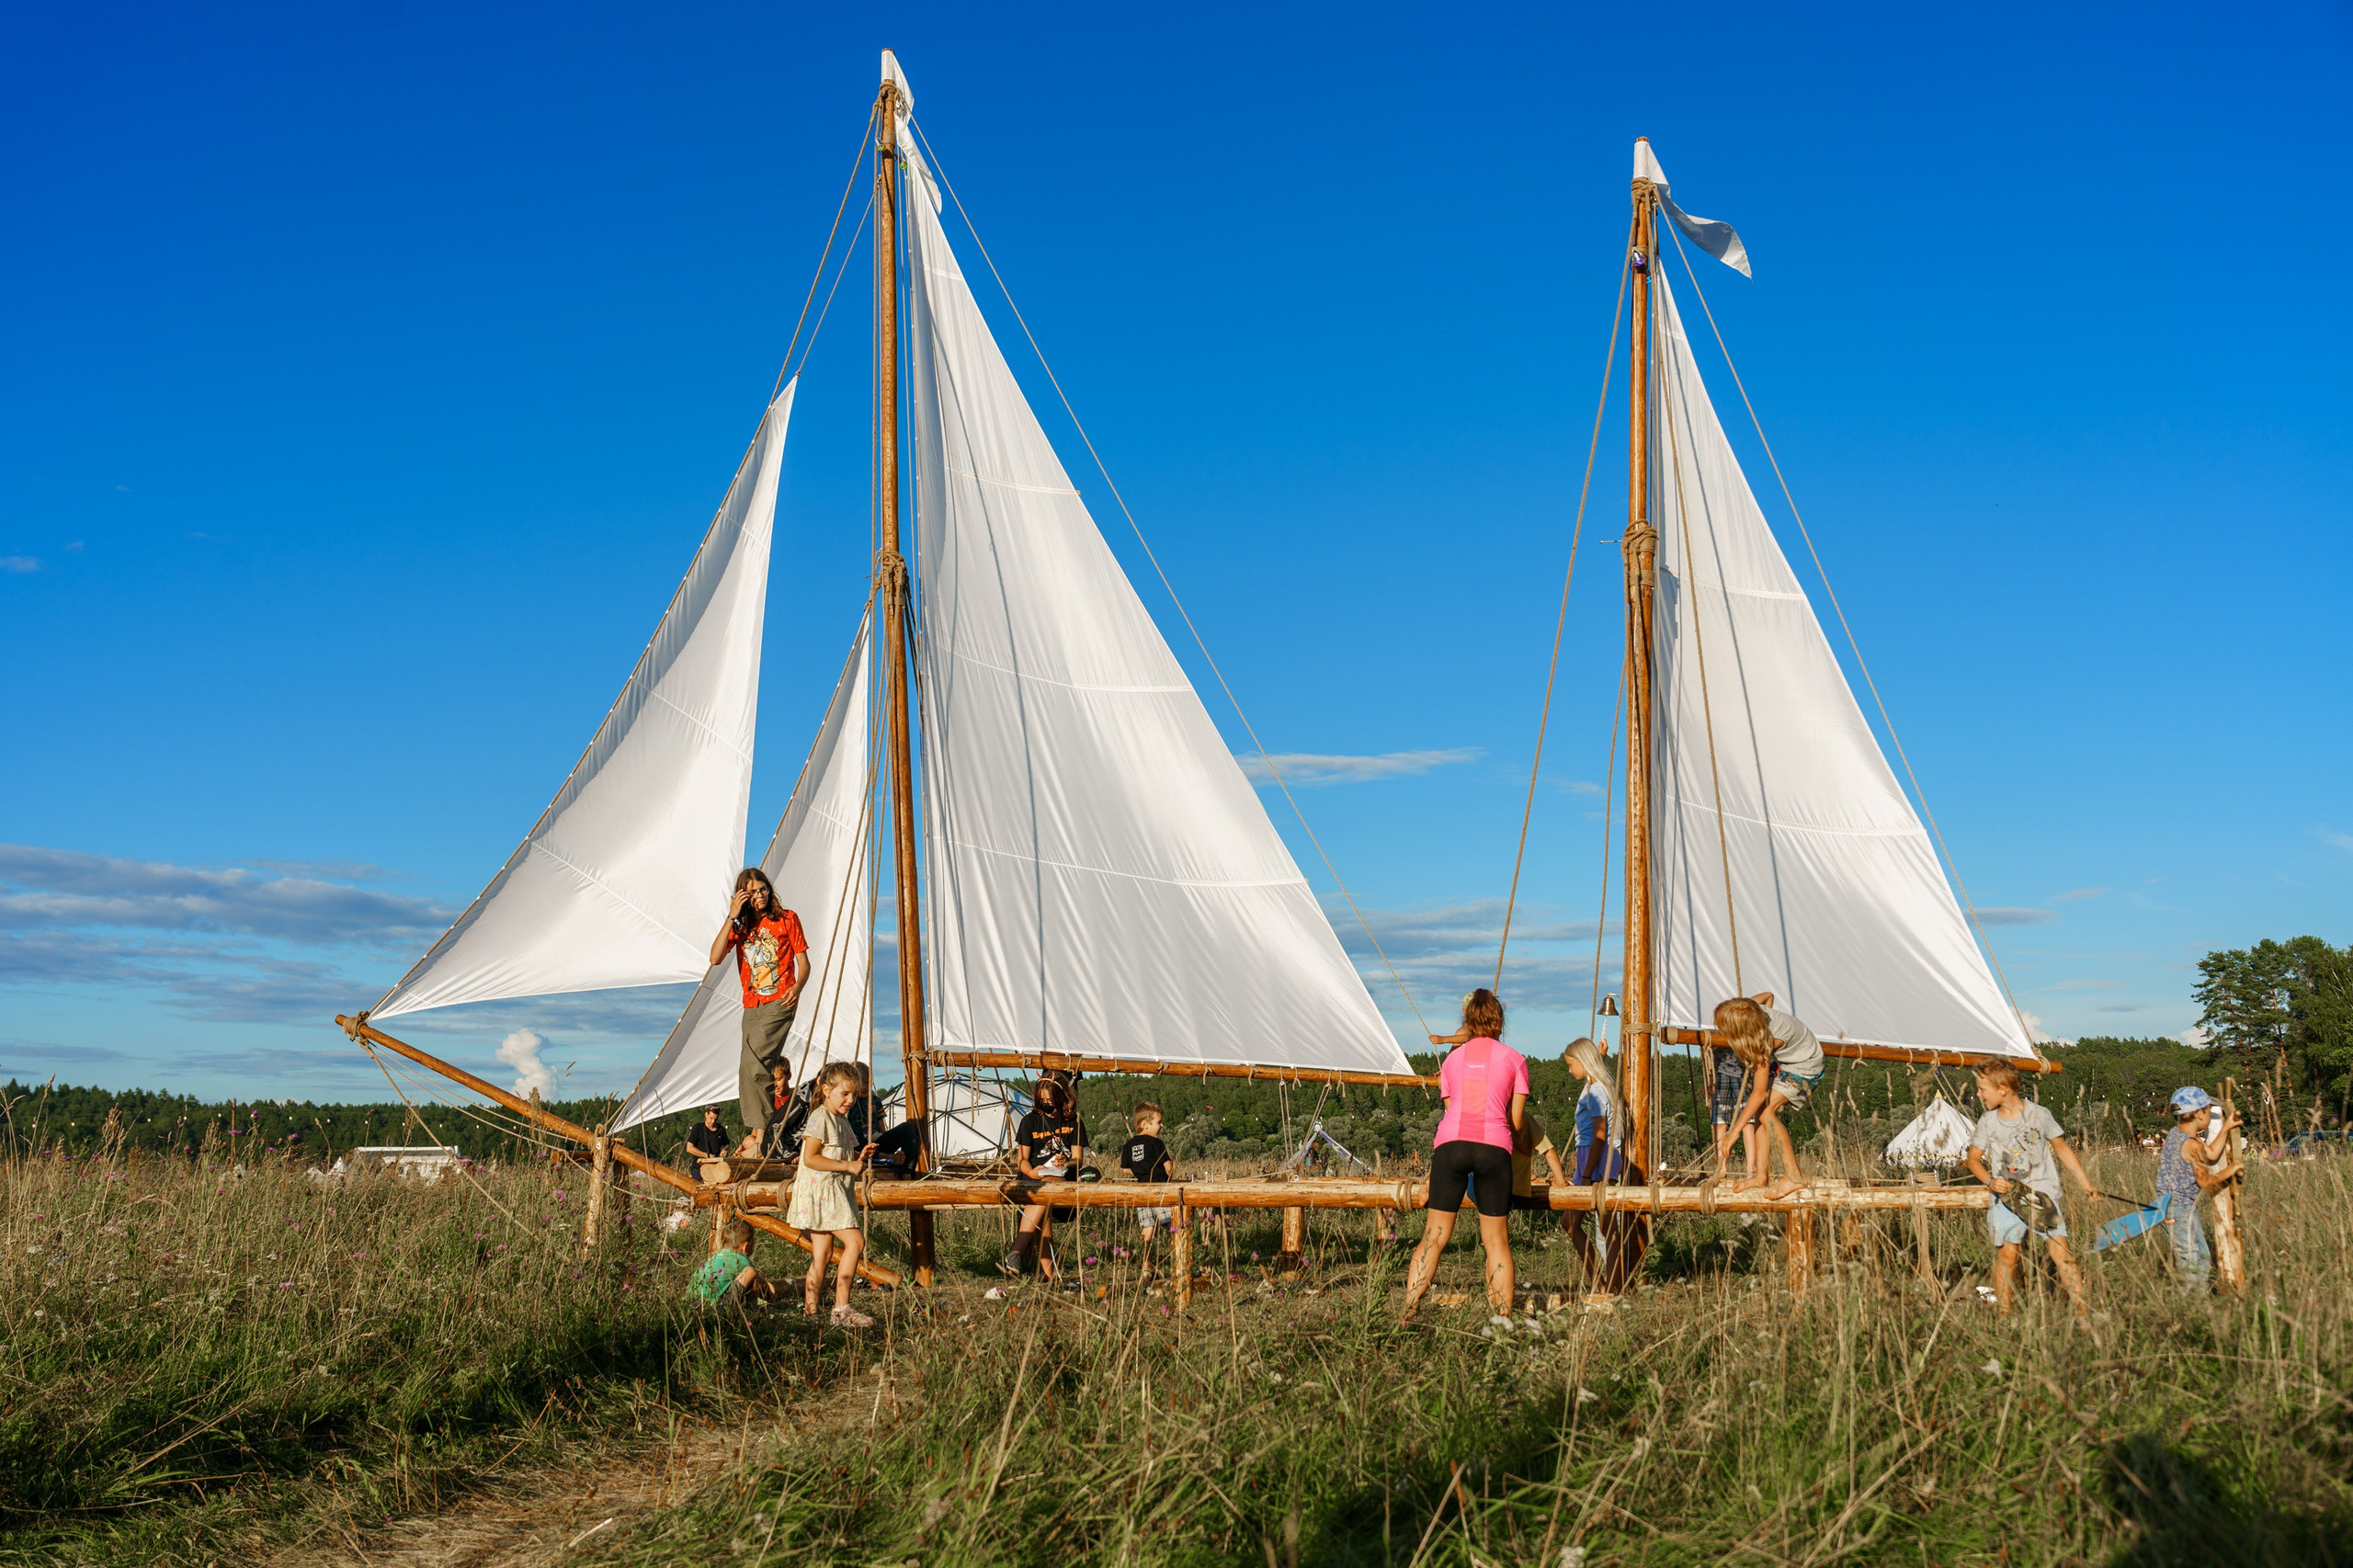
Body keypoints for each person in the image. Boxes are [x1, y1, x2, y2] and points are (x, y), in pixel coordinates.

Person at [1402, 989, 1527, 1322]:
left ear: (1467, 1021)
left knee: (1434, 1237)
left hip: (1451, 1145)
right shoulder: (1515, 1059)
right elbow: (1515, 1123)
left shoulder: (1452, 1060)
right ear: (1500, 1021)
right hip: (1494, 1148)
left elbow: (1449, 1110)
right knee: (1496, 1241)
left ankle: (1408, 1312)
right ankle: (1502, 1321)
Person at [1963, 1061, 2095, 1320]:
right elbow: (1973, 1160)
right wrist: (1990, 1181)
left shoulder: (2039, 1115)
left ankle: (2083, 1312)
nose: (1978, 1094)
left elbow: (2062, 1148)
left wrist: (2085, 1184)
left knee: (2060, 1250)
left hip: (2039, 1193)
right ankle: (2004, 1315)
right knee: (2007, 1255)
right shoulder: (1988, 1121)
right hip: (2007, 1196)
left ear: (2002, 1089)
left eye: (1982, 1089)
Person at [710, 869, 809, 1150]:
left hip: (780, 999)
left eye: (763, 889)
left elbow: (804, 963)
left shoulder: (787, 918)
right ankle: (757, 1131)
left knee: (758, 1064)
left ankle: (765, 1136)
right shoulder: (741, 927)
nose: (760, 895)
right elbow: (715, 958)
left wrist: (797, 987)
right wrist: (731, 916)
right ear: (743, 896)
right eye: (752, 892)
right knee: (747, 1069)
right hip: (752, 1004)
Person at [784, 1062, 877, 1327]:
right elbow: (811, 1158)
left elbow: (835, 1154)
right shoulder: (820, 1118)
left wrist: (859, 1157)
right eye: (844, 1094)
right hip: (821, 1193)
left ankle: (810, 1313)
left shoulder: (841, 1120)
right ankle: (841, 1309)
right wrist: (848, 1165)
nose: (850, 1100)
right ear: (826, 1090)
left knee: (822, 1254)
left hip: (833, 1191)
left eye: (854, 1094)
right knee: (855, 1243)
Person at [1713, 994, 1824, 1195]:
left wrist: (1734, 1131)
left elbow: (1758, 1092)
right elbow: (1768, 995)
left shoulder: (1763, 1046)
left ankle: (1794, 1177)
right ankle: (1761, 1176)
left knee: (1765, 1113)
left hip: (1806, 1066)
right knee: (1759, 1113)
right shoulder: (1753, 1011)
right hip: (1793, 1060)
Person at [2154, 1086, 2245, 1293]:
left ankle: (2198, 1303)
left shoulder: (2178, 1136)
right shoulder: (2192, 1145)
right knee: (2192, 1263)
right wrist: (2231, 1169)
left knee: (2202, 1258)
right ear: (2199, 1113)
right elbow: (2205, 1181)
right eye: (2208, 1109)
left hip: (2179, 1207)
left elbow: (2211, 1154)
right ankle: (2190, 1308)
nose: (2209, 1114)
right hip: (2177, 1209)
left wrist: (2225, 1128)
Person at [1002, 1074, 1088, 1277]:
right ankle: (1050, 1275)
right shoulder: (1030, 1121)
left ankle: (1017, 1253)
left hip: (1062, 1179)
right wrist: (1032, 1171)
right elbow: (1021, 1160)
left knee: (1048, 1189)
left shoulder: (1074, 1122)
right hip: (1032, 1179)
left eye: (1050, 1101)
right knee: (1044, 1206)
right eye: (1042, 1101)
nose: (1046, 1106)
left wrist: (1065, 1163)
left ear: (1062, 1098)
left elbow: (1078, 1159)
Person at [1120, 1103, 1176, 1270]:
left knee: (1147, 1227)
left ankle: (1146, 1264)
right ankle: (1178, 1256)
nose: (1161, 1126)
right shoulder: (1156, 1143)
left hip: (1141, 1191)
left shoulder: (1129, 1145)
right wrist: (1168, 1180)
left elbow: (1125, 1170)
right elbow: (1168, 1167)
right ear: (1146, 1124)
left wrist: (1140, 1173)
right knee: (1171, 1224)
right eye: (1158, 1122)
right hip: (1159, 1189)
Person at [688, 1216, 785, 1306]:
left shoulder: (715, 1256)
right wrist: (772, 1296)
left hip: (693, 1305)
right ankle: (737, 1311)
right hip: (715, 1310)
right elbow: (761, 1285)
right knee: (750, 1272)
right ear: (745, 1247)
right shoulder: (742, 1261)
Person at [846, 1063, 925, 1174]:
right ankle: (889, 1157)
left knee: (908, 1128)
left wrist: (888, 1141)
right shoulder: (848, 1102)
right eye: (862, 1083)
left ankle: (907, 1173)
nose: (865, 1087)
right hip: (857, 1145)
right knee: (853, 1142)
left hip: (876, 1142)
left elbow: (881, 1125)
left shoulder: (875, 1100)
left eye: (868, 1083)